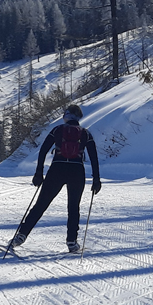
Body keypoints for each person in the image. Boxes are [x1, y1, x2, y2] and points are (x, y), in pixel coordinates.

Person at [8, 103, 101, 253]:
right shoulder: (85, 133)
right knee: (73, 207)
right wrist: (96, 179)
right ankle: (72, 242)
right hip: (77, 171)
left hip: (57, 169)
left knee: (41, 204)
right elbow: (94, 157)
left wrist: (39, 172)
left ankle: (21, 236)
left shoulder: (57, 130)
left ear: (66, 116)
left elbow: (43, 150)